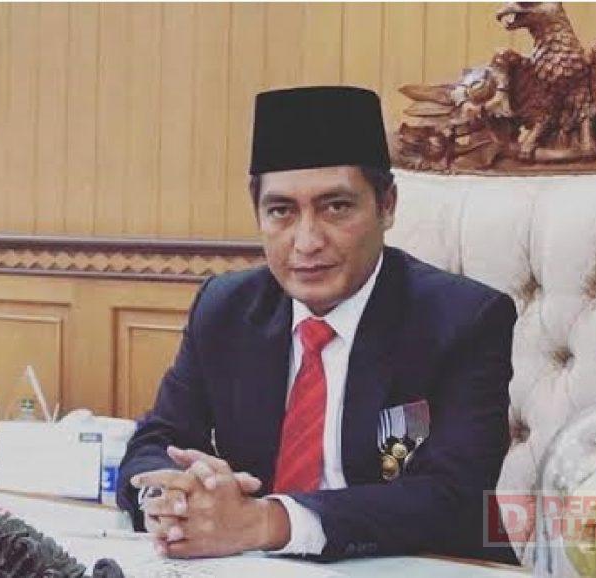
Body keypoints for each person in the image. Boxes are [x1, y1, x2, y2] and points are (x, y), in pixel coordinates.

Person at [117, 86, 518, 562]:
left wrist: (269, 521)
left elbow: (454, 496)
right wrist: (170, 500)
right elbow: (157, 441)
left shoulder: (464, 319)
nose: (306, 242)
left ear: (387, 205)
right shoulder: (225, 308)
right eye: (281, 212)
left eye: (336, 207)